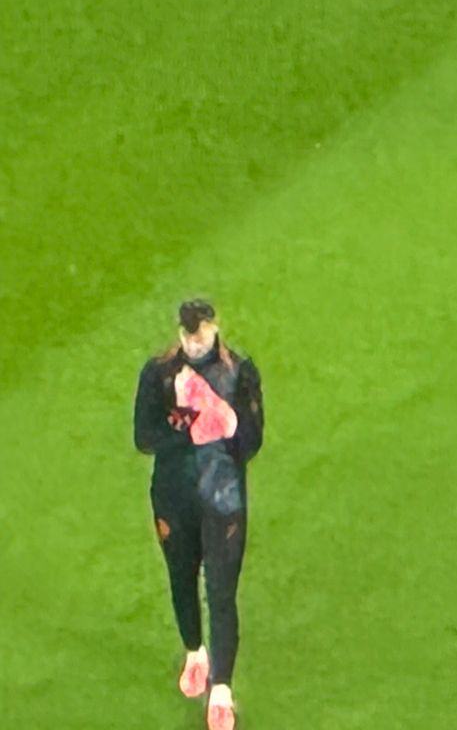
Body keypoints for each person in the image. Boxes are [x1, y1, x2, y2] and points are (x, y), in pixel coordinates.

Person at [134, 299, 265, 730]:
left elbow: (252, 440)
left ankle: (222, 691)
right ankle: (195, 653)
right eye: (189, 334)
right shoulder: (159, 374)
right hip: (174, 497)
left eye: (201, 332)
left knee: (222, 592)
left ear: (213, 328)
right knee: (181, 577)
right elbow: (144, 436)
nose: (195, 341)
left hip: (223, 498)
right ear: (180, 333)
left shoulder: (239, 372)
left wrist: (227, 424)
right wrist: (188, 429)